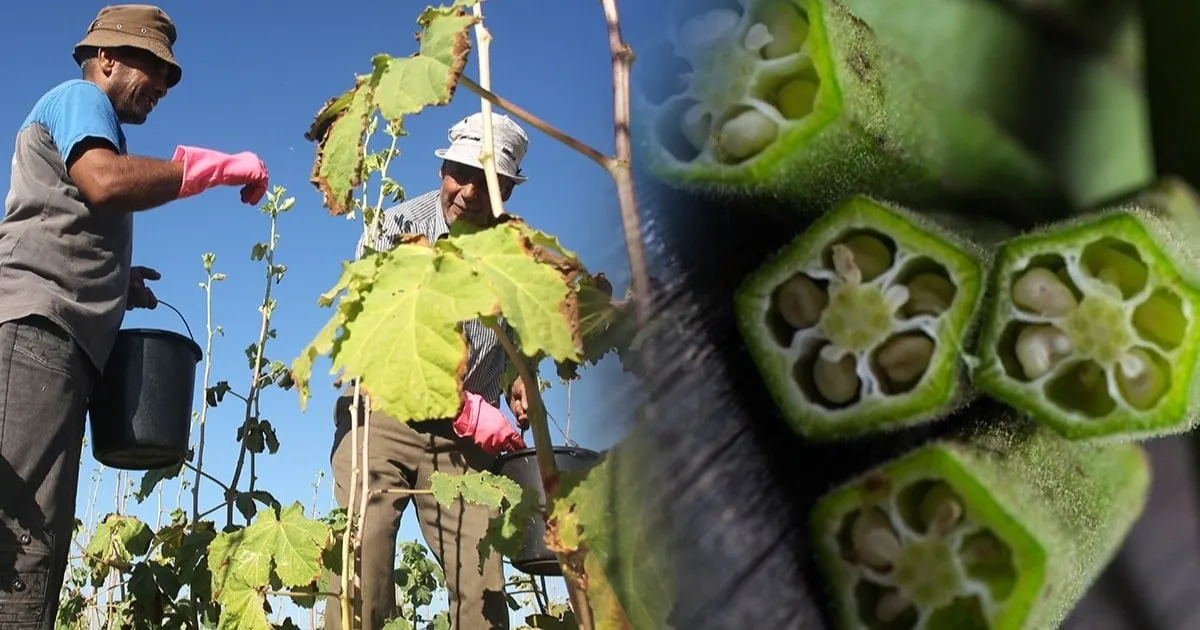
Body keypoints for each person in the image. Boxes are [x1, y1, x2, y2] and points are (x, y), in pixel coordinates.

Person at [0, 5, 269, 628]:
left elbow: (63, 218)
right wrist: (208, 170)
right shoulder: (79, 99)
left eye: (172, 78)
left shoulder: (89, 121)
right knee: (18, 533)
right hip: (37, 331)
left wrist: (119, 285)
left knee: (36, 530)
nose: (164, 87)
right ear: (108, 60)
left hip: (53, 340)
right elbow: (101, 182)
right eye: (155, 68)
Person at [325, 112, 534, 630]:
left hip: (464, 441)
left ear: (506, 188)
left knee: (482, 583)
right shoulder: (396, 227)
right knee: (361, 563)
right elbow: (368, 318)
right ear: (442, 167)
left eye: (486, 182)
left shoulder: (514, 253)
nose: (467, 191)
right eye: (459, 173)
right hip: (384, 416)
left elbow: (521, 336)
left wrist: (517, 379)